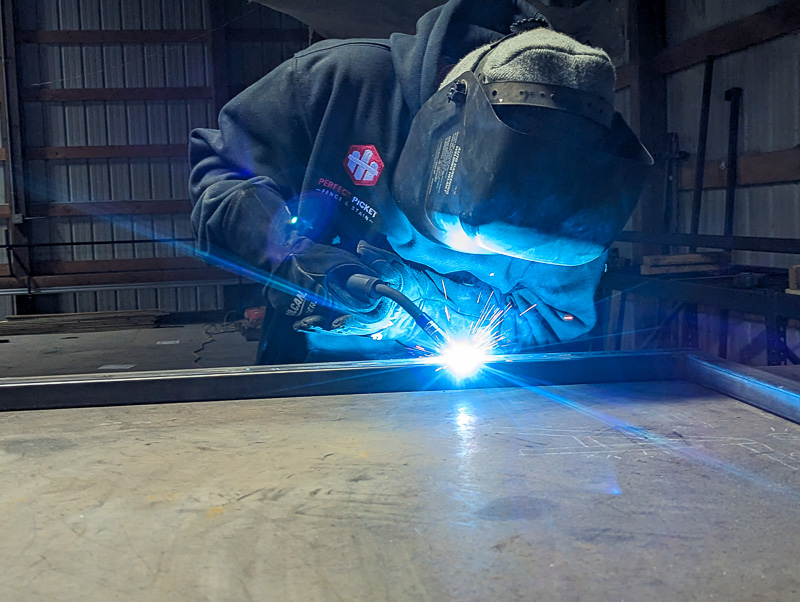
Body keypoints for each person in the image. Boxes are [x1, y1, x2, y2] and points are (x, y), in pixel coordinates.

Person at [189, 0, 651, 362]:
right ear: (441, 129)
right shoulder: (341, 83)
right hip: (306, 366)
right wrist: (286, 252)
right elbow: (221, 172)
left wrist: (410, 307)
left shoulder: (582, 193)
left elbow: (554, 319)